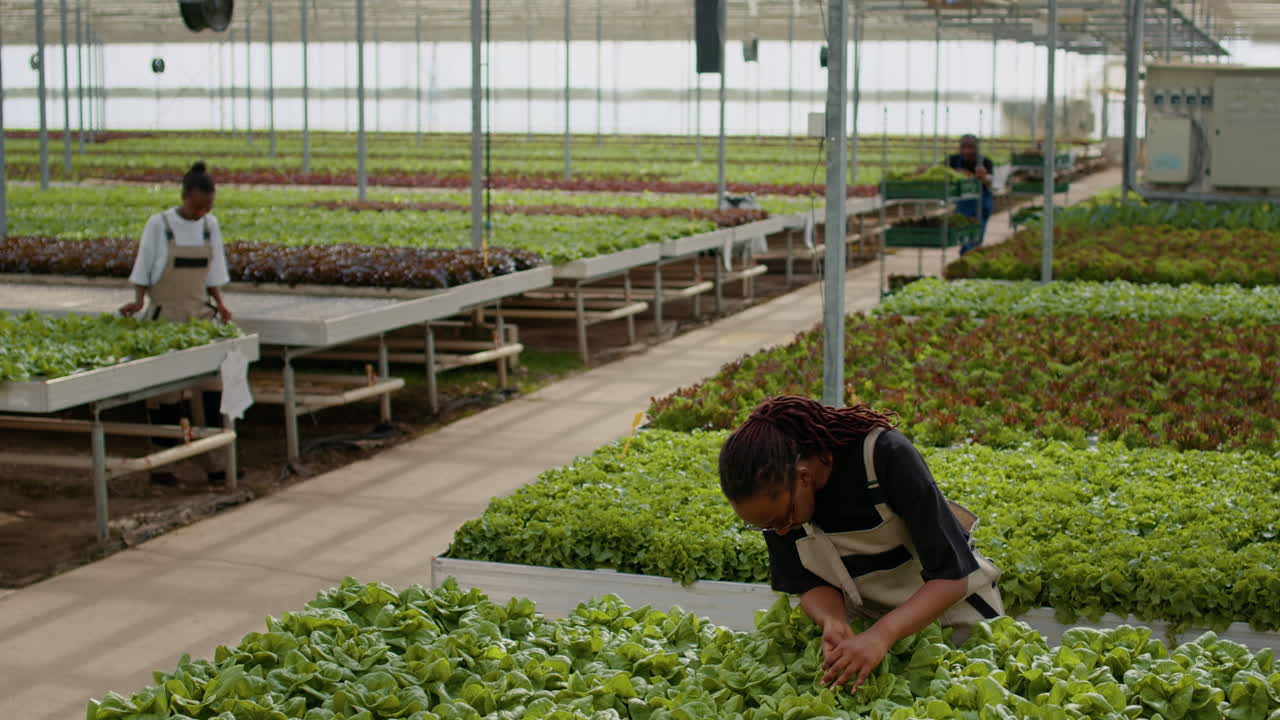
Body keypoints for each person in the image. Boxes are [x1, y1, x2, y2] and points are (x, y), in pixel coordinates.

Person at [718, 396, 1004, 692]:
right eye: (765, 526)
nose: (779, 532)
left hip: (959, 623)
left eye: (783, 520)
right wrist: (833, 621)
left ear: (802, 477)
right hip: (873, 635)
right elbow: (806, 581)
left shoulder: (883, 457)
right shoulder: (775, 502)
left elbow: (952, 577)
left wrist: (882, 635)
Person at [119, 161, 235, 486]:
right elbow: (144, 267)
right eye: (197, 206)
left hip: (200, 316)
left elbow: (214, 274)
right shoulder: (160, 225)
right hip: (166, 316)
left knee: (211, 390)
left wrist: (222, 306)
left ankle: (215, 462)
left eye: (207, 207)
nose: (201, 213)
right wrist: (139, 301)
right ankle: (164, 465)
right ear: (184, 197)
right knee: (166, 394)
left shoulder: (210, 227)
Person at [947, 134, 995, 255]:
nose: (967, 151)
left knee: (975, 237)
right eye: (964, 147)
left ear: (977, 148)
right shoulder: (952, 160)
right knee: (964, 235)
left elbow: (991, 182)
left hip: (981, 204)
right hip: (963, 206)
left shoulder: (985, 162)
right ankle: (965, 260)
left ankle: (968, 260)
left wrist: (983, 177)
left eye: (971, 147)